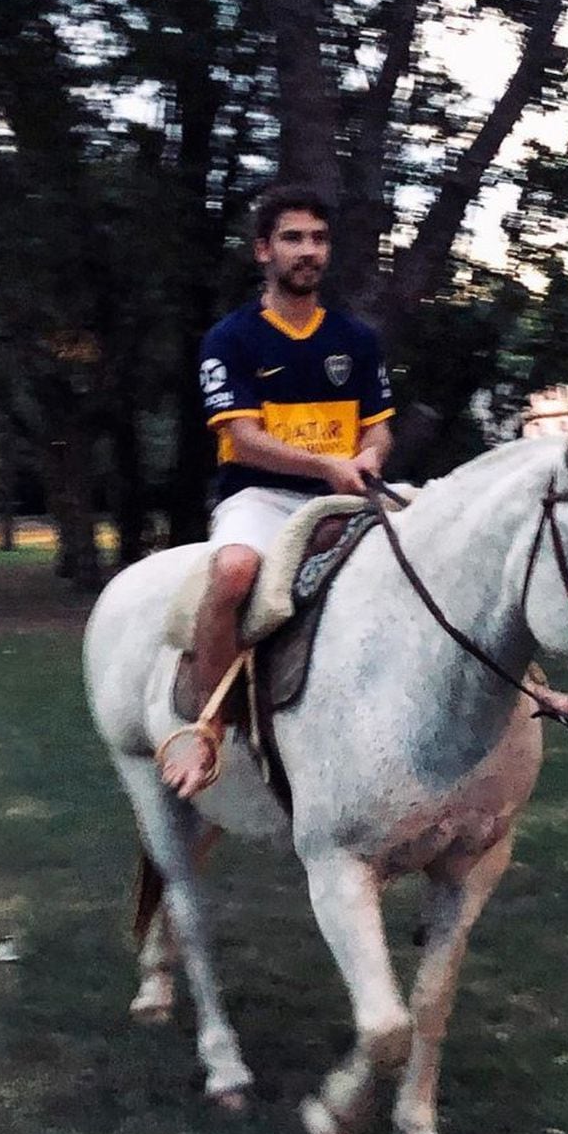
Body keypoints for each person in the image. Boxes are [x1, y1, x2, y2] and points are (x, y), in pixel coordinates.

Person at [160, 185, 396, 798]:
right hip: (261, 498)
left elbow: (379, 430)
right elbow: (244, 438)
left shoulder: (357, 340)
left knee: (443, 551)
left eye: (318, 239)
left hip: (344, 493)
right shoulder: (231, 338)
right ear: (263, 250)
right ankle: (208, 726)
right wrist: (327, 466)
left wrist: (369, 456)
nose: (308, 251)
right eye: (293, 238)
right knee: (235, 570)